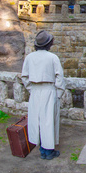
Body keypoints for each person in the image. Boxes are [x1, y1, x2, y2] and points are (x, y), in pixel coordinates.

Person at [21, 30, 64, 160]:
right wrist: (58, 93)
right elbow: (59, 77)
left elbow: (24, 76)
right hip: (49, 90)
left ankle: (42, 148)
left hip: (35, 91)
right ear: (49, 43)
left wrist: (31, 89)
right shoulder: (52, 57)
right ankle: (48, 150)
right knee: (48, 120)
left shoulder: (29, 57)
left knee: (36, 120)